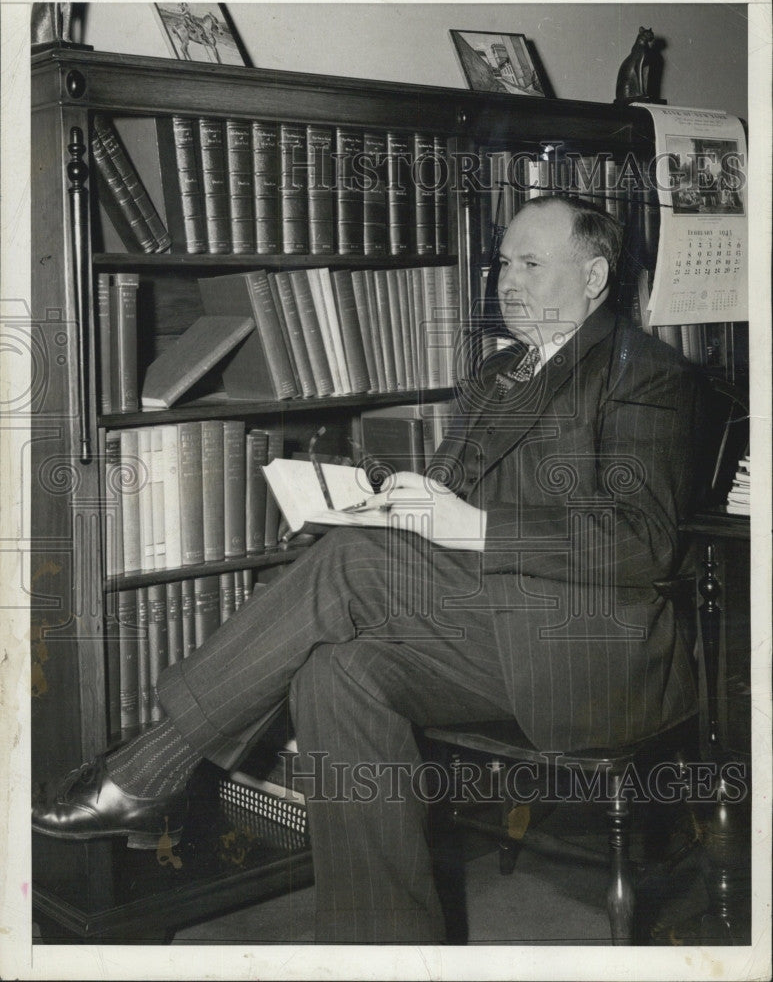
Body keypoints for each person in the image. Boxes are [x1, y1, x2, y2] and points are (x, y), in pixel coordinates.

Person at [32, 196, 704, 944]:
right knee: (336, 669)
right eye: (502, 262)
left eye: (531, 263)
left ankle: (151, 768)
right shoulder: (496, 374)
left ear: (595, 276)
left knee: (354, 566)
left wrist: (471, 527)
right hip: (490, 624)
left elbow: (642, 543)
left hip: (591, 649)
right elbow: (442, 501)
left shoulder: (643, 375)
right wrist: (388, 505)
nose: (506, 280)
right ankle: (381, 944)